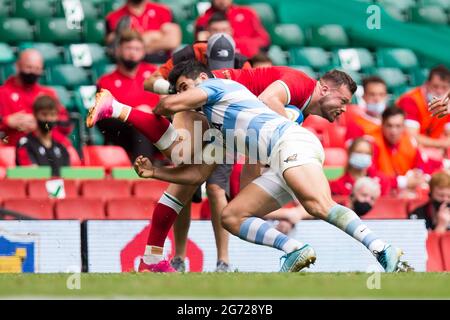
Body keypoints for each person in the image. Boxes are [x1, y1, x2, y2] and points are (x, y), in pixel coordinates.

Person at [133, 60, 411, 273]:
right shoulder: (219, 125)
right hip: (281, 153)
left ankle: (382, 249)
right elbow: (197, 173)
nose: (343, 110)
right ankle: (294, 249)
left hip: (289, 145)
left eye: (186, 88)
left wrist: (145, 107)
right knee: (232, 216)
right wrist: (154, 172)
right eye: (343, 101)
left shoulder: (218, 88)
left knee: (319, 205)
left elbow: (168, 106)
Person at [97, 29, 160, 161]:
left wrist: (150, 112)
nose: (132, 53)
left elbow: (167, 103)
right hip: (123, 131)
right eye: (128, 48)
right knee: (140, 126)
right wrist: (136, 114)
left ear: (143, 52)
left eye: (137, 49)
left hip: (155, 126)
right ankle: (143, 174)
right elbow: (106, 114)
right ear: (119, 50)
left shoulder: (155, 74)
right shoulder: (106, 81)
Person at [0, 49, 71, 147]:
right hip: (10, 148)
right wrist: (6, 122)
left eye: (37, 69)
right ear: (18, 66)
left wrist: (41, 123)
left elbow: (65, 125)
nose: (33, 72)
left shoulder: (48, 94)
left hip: (45, 148)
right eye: (29, 67)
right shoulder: (2, 93)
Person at [144, 32, 250, 95]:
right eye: (216, 65)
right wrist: (177, 90)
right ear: (205, 56)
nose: (219, 72)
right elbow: (149, 83)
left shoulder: (242, 65)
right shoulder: (190, 54)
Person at [369, 106, 439, 181]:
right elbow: (372, 174)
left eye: (398, 126)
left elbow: (422, 165)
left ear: (403, 126)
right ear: (382, 125)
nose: (393, 131)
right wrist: (402, 182)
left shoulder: (409, 141)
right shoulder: (372, 142)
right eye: (389, 126)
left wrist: (419, 172)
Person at [105, 0, 181, 63]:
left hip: (162, 65)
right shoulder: (113, 17)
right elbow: (117, 49)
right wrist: (155, 36)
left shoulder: (164, 11)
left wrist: (134, 46)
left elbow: (173, 42)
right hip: (131, 67)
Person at [397, 65, 450, 149]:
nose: (439, 91)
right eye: (435, 86)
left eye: (444, 87)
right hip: (408, 149)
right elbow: (411, 137)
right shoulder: (410, 100)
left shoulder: (447, 102)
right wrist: (442, 144)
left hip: (434, 149)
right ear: (427, 84)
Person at [16, 96, 70, 177]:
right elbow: (30, 174)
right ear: (35, 115)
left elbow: (67, 176)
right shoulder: (24, 144)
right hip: (35, 188)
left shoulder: (61, 146)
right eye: (44, 115)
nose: (48, 119)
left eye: (52, 115)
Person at [195, 0, 270, 58]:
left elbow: (264, 40)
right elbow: (201, 49)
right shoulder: (203, 20)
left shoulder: (247, 13)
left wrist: (243, 46)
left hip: (250, 59)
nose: (222, 1)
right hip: (220, 60)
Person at [345, 76, 388, 142]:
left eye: (381, 94)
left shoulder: (395, 124)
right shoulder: (356, 125)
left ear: (386, 96)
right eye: (372, 94)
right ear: (363, 96)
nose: (377, 99)